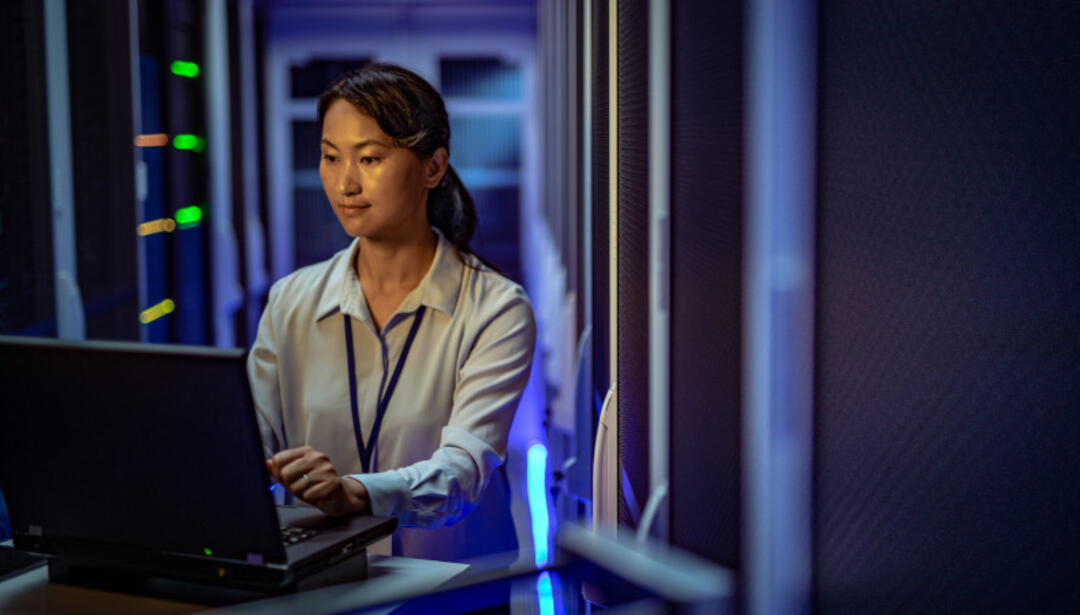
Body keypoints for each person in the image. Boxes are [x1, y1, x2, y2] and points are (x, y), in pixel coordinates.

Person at [247, 64, 536, 562]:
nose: (345, 183)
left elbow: (462, 471)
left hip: (451, 586)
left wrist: (356, 492)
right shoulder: (290, 301)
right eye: (330, 157)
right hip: (321, 580)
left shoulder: (497, 309)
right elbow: (250, 443)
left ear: (433, 167)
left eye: (370, 158)